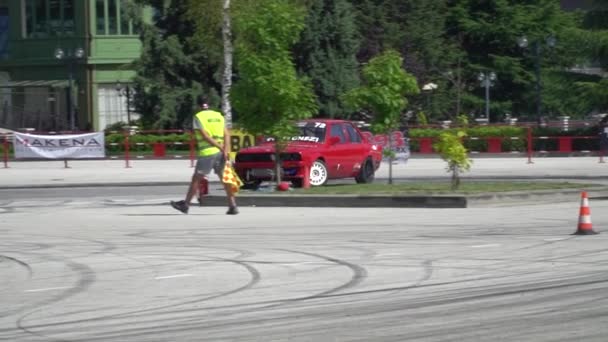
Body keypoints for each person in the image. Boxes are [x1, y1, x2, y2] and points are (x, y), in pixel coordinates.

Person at [170, 96, 238, 215]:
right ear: (209, 104)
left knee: (196, 178)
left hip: (208, 153)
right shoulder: (218, 116)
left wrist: (219, 147)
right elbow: (227, 134)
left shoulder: (198, 117)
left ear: (198, 105)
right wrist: (225, 149)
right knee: (225, 179)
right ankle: (232, 205)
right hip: (222, 153)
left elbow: (205, 136)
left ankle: (185, 205)